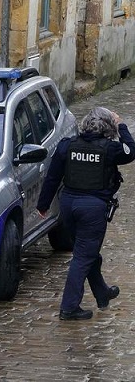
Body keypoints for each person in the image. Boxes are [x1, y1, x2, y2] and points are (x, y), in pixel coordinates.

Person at [37, 107, 135, 320]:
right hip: (92, 208)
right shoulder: (110, 149)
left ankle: (102, 293)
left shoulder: (67, 146)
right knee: (82, 256)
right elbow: (131, 150)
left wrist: (43, 205)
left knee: (86, 252)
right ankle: (69, 307)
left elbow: (53, 177)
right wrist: (121, 126)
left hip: (68, 206)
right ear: (107, 128)